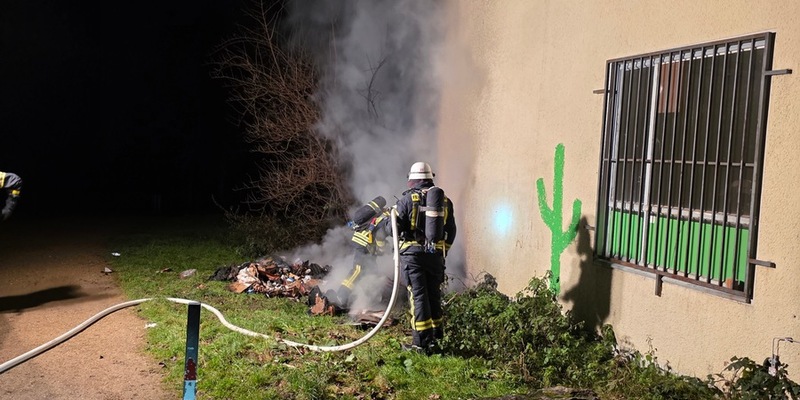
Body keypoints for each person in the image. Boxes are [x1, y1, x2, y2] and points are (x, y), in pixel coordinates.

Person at [394, 162, 456, 354]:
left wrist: (390, 219)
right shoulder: (444, 201)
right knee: (433, 294)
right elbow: (451, 230)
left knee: (418, 296)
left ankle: (420, 343)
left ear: (413, 179)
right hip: (435, 257)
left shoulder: (407, 200)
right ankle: (436, 338)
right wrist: (442, 250)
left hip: (412, 257)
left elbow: (394, 228)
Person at [309, 196, 393, 317]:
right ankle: (341, 296)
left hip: (365, 244)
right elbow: (380, 237)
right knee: (357, 271)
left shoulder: (382, 214)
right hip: (364, 245)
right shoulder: (387, 220)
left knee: (372, 273)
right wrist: (384, 249)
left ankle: (370, 299)